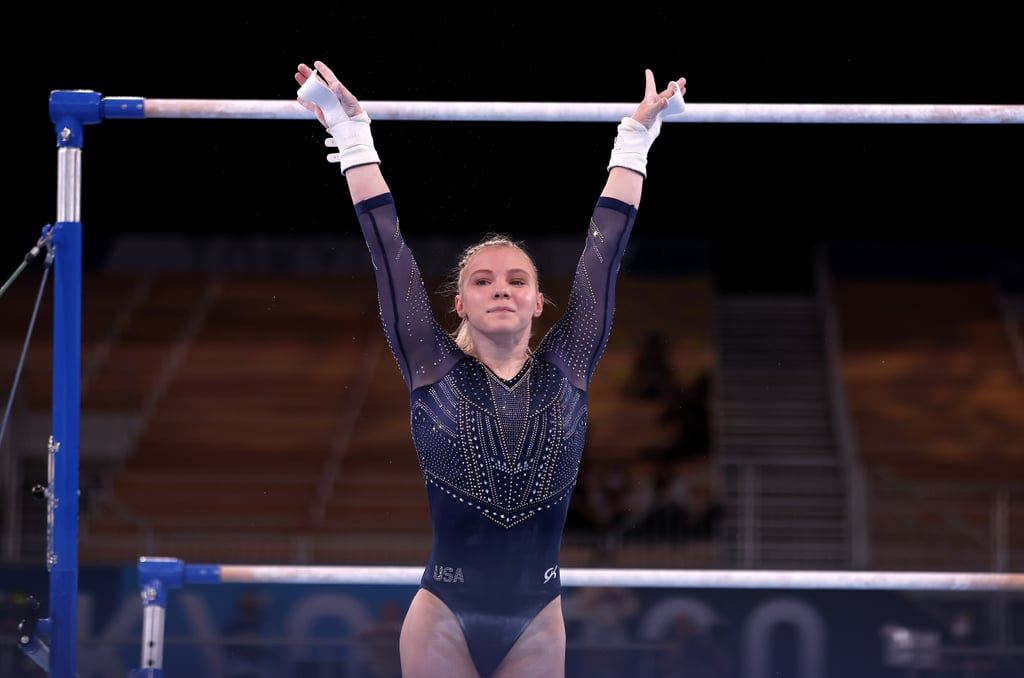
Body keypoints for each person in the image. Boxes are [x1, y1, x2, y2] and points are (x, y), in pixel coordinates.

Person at [294, 59, 686, 678]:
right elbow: (388, 248)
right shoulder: (430, 364)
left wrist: (635, 137)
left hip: (536, 619)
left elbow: (603, 251)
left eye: (516, 280)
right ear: (460, 303)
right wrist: (352, 133)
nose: (499, 288)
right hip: (443, 614)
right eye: (482, 280)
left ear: (538, 301)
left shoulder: (571, 362)